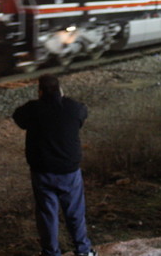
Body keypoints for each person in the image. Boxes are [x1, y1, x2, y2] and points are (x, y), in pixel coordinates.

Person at [12, 75, 97, 256]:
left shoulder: (33, 109)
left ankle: (50, 252)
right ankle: (83, 251)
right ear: (60, 89)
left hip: (42, 172)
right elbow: (83, 113)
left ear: (40, 91)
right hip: (69, 171)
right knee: (75, 213)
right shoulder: (73, 108)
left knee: (46, 215)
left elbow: (17, 117)